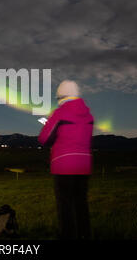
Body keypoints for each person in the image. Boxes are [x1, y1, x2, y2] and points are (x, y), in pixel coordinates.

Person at [38, 80, 94, 239]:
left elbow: (44, 138)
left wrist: (48, 123)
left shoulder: (59, 113)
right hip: (84, 165)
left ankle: (67, 236)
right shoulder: (89, 115)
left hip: (64, 165)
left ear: (61, 96)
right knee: (81, 204)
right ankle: (85, 235)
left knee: (65, 206)